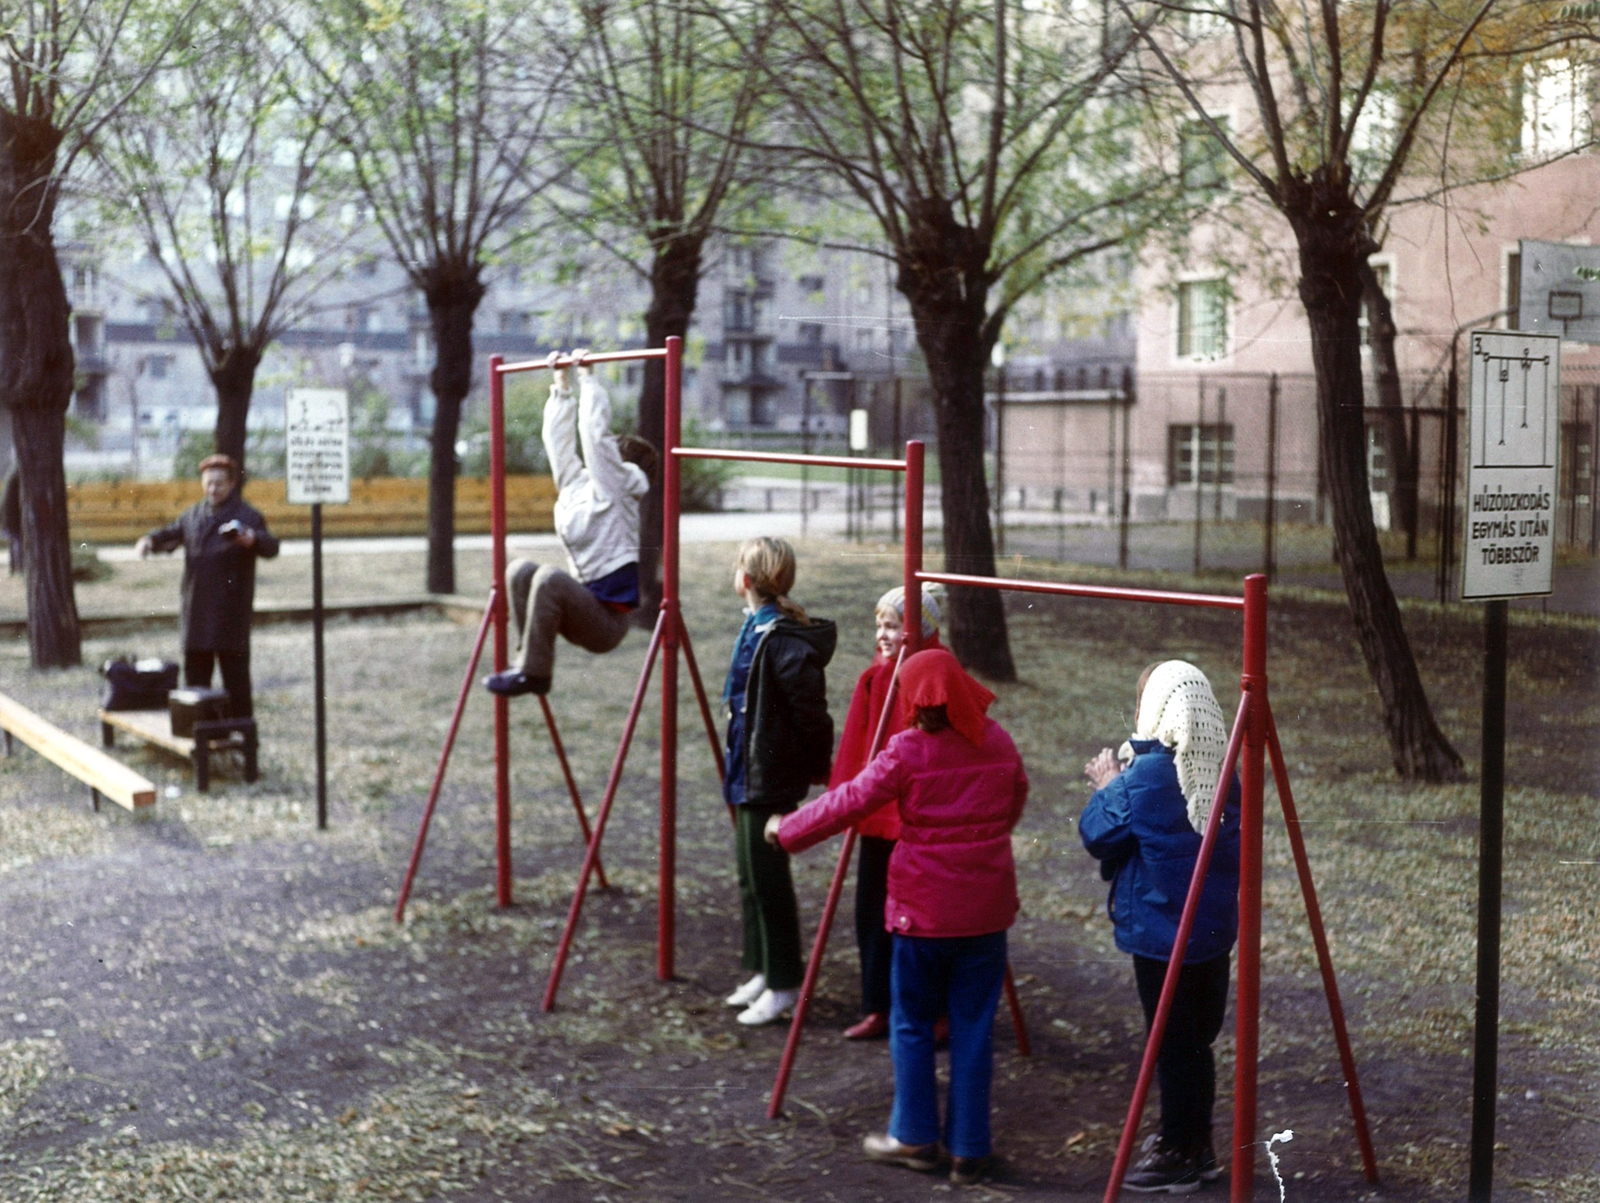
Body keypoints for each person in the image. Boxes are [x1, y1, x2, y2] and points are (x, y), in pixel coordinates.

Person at [768, 648, 1028, 1186]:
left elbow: (849, 801)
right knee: (973, 1027)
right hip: (985, 914)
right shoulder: (997, 740)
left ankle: (913, 1135)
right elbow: (1014, 799)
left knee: (910, 1021)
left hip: (923, 914)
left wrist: (785, 829)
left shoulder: (906, 751)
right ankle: (969, 1147)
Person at [1079, 660, 1241, 1194]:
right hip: (1212, 933)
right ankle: (1197, 1143)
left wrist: (1108, 784)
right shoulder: (1224, 769)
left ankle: (1179, 1149)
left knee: (1171, 1043)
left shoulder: (1147, 776)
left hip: (1159, 935)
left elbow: (1098, 833)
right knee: (1195, 1041)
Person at [483, 349, 658, 697]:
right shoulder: (580, 487)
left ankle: (535, 674)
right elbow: (559, 445)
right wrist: (561, 387)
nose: (598, 461)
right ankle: (527, 661)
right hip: (581, 607)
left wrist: (589, 379)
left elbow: (595, 438)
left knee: (549, 579)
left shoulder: (621, 487)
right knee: (520, 571)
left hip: (607, 624)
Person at [721, 536, 835, 1027]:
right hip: (749, 767)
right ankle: (764, 969)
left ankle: (786, 981)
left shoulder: (782, 639)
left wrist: (815, 766)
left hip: (772, 774)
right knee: (749, 874)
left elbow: (812, 713)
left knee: (767, 877)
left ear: (747, 579)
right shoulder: (755, 625)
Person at [829, 583, 946, 1041]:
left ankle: (933, 1011)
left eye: (894, 626)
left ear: (918, 632)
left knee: (925, 916)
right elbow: (857, 746)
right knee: (871, 911)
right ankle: (877, 1003)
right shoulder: (873, 678)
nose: (883, 634)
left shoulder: (934, 676)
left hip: (918, 821)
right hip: (878, 815)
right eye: (879, 624)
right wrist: (846, 802)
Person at [136, 453, 279, 718]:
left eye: (219, 484)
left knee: (236, 686)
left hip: (230, 617)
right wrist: (149, 541)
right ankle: (198, 741)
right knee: (195, 688)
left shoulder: (247, 515)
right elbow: (171, 533)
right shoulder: (193, 515)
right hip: (197, 614)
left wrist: (252, 540)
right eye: (208, 483)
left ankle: (241, 743)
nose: (213, 489)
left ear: (232, 484)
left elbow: (271, 546)